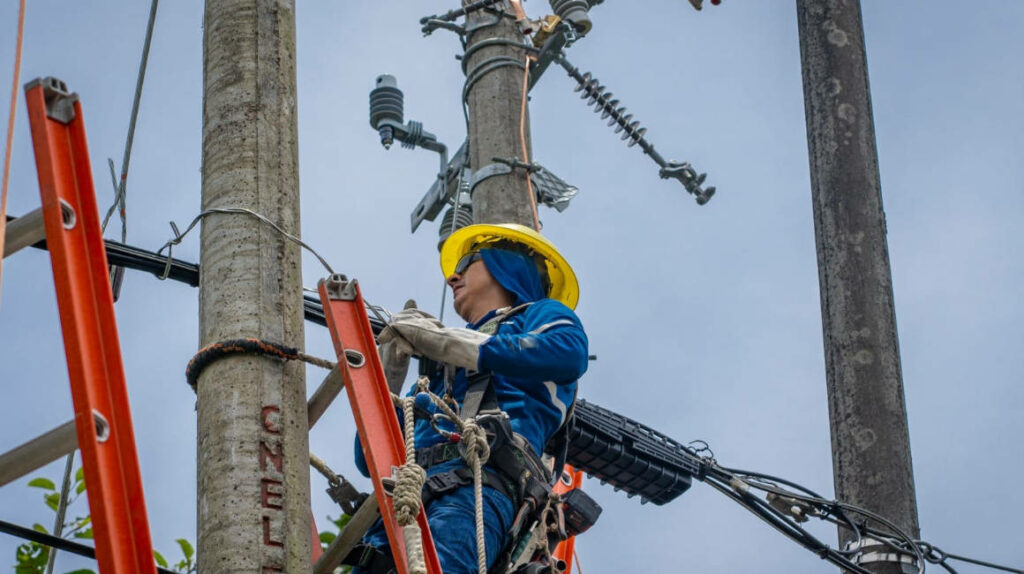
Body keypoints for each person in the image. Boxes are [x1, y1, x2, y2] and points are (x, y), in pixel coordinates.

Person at [347, 223, 589, 574]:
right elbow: (366, 458)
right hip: (406, 494)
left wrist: (452, 343)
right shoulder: (439, 374)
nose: (453, 277)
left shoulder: (540, 315)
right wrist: (391, 372)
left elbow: (567, 352)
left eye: (468, 262)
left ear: (509, 265)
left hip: (477, 483)